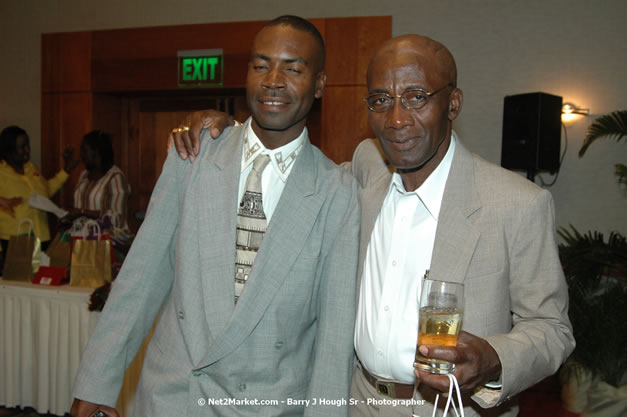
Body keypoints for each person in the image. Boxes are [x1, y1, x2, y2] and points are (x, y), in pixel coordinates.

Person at [173, 34, 574, 417]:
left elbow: (551, 328)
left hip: (452, 408)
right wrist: (228, 134)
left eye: (416, 97)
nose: (396, 119)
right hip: (355, 400)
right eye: (381, 100)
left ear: (453, 103)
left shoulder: (517, 204)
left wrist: (495, 358)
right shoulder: (365, 172)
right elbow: (295, 178)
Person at [70, 15, 359, 417]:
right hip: (175, 396)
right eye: (261, 65)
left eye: (293, 69)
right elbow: (142, 276)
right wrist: (96, 382)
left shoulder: (335, 191)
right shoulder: (194, 153)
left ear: (320, 84)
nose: (273, 80)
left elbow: (334, 335)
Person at [0, 125, 78, 268]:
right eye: (22, 147)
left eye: (27, 145)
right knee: (19, 285)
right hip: (15, 240)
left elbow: (45, 192)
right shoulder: (1, 173)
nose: (27, 150)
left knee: (40, 281)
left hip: (41, 236)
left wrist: (66, 171)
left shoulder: (32, 168)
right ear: (9, 151)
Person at [64, 130, 130, 232]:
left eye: (84, 150)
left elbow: (117, 218)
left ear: (97, 152)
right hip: (81, 237)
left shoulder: (115, 177)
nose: (81, 155)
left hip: (106, 241)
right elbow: (78, 206)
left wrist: (83, 212)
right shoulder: (84, 175)